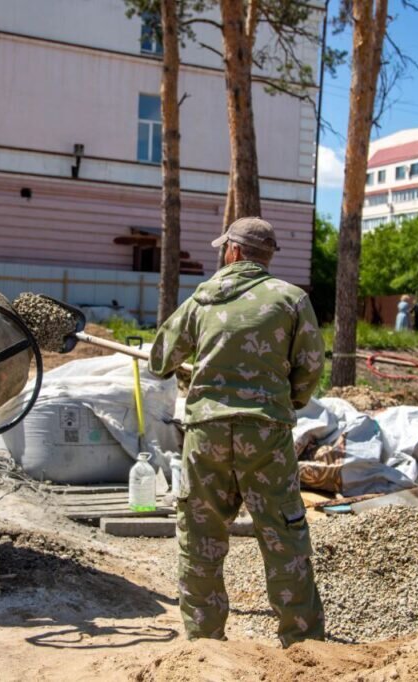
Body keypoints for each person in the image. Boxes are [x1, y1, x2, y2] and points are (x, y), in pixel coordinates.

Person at [150, 217, 325, 647]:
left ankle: (204, 645)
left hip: (206, 432)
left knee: (200, 533)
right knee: (283, 534)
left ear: (232, 251)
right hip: (266, 433)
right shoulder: (291, 299)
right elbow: (311, 367)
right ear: (266, 257)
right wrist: (289, 400)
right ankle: (303, 646)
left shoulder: (202, 299)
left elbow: (160, 359)